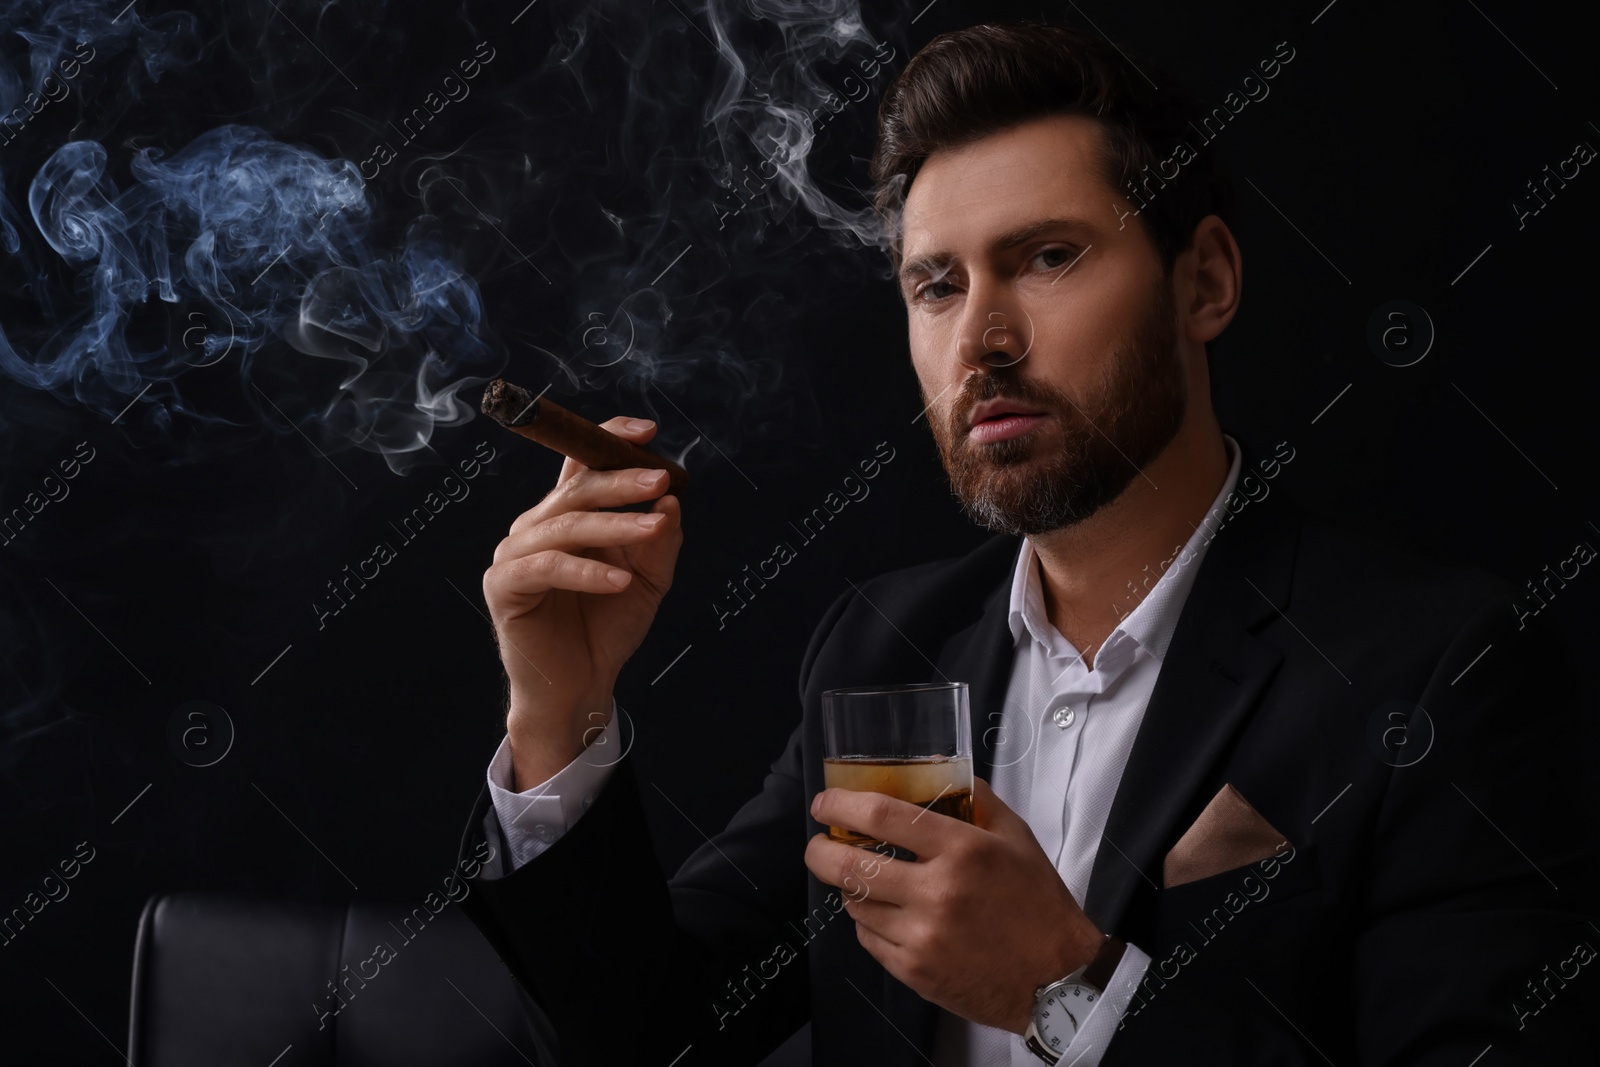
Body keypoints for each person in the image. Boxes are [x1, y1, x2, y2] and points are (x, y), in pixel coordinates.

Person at [454, 20, 1600, 1067]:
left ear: (1203, 280)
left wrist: (1072, 993)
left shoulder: (1439, 665)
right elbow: (653, 1035)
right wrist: (560, 713)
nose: (983, 338)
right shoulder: (883, 642)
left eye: (1048, 256)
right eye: (936, 284)